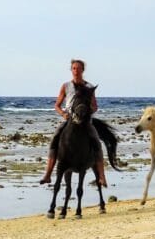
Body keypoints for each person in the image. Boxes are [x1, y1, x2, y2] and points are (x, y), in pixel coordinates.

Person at [39, 59, 108, 187]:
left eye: (79, 68)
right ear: (71, 70)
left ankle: (102, 177)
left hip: (86, 121)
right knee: (55, 138)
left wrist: (88, 111)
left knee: (96, 143)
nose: (76, 71)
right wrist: (63, 114)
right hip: (70, 119)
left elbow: (95, 106)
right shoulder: (66, 86)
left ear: (83, 70)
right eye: (74, 68)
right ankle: (48, 174)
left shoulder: (89, 87)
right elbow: (57, 105)